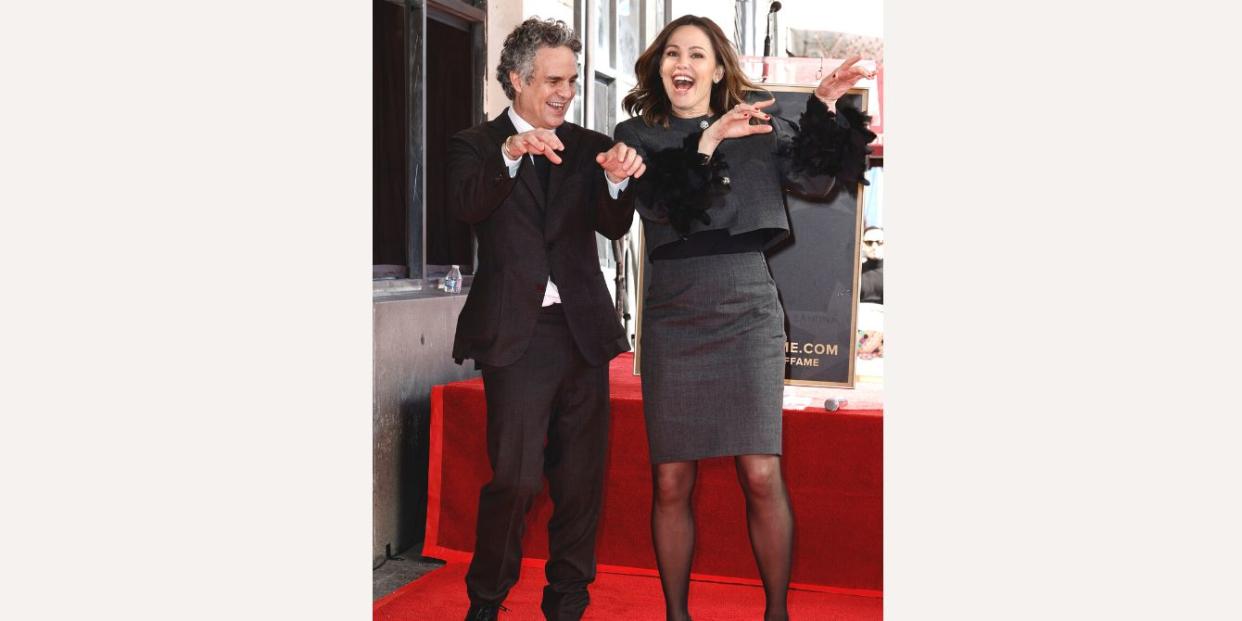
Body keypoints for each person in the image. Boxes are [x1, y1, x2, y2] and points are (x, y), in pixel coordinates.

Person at [613, 15, 876, 621]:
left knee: (761, 472)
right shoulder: (637, 134)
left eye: (697, 54)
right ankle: (677, 615)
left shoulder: (757, 125)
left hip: (749, 311)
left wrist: (824, 102)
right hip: (675, 316)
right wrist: (708, 142)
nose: (683, 63)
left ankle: (776, 613)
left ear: (716, 68)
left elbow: (815, 177)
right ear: (659, 67)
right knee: (672, 480)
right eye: (672, 53)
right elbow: (663, 210)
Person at [447, 17, 646, 621]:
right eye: (554, 80)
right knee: (516, 478)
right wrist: (511, 153)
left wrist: (615, 182)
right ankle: (486, 600)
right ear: (516, 79)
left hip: (581, 335)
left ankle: (567, 602)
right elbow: (466, 206)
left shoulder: (588, 146)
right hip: (515, 338)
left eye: (573, 81)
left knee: (581, 483)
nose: (565, 92)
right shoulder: (475, 146)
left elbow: (612, 226)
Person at [859, 225, 883, 304]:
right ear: (862, 245)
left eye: (879, 242)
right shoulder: (855, 272)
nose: (874, 246)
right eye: (869, 242)